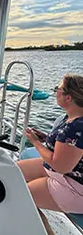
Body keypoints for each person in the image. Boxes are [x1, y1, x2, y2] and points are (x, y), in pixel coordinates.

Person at [18, 75, 83, 214]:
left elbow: (60, 166)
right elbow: (71, 146)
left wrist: (35, 142)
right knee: (13, 172)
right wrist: (47, 139)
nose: (55, 92)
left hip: (75, 186)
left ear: (68, 97)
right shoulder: (70, 117)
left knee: (21, 197)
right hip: (66, 173)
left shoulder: (76, 127)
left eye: (57, 89)